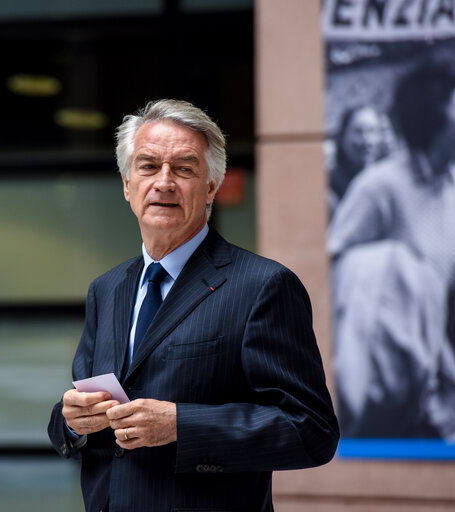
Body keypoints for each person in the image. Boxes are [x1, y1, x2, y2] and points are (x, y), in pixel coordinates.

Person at [48, 99, 339, 512]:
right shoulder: (107, 288)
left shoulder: (263, 286)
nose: (164, 182)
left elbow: (312, 431)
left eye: (184, 168)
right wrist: (71, 421)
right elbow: (80, 415)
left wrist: (182, 425)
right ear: (127, 185)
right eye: (148, 166)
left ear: (211, 188)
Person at [329, 58, 455, 439]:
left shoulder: (450, 187)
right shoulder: (380, 187)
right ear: (433, 118)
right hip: (385, 389)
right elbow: (330, 269)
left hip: (437, 385)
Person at [328, 105, 388, 217]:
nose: (367, 140)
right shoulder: (330, 185)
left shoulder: (385, 179)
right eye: (358, 132)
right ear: (343, 136)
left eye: (372, 131)